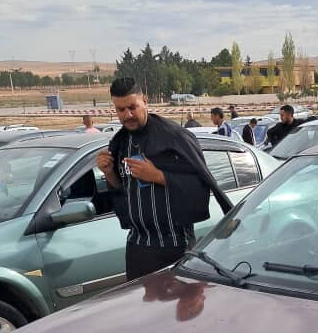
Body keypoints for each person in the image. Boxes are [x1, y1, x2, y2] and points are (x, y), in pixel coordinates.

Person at [95, 78, 235, 281]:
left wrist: (159, 176)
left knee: (174, 312)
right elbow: (122, 191)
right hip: (137, 247)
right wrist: (109, 172)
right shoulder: (119, 143)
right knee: (141, 311)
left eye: (132, 107)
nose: (128, 115)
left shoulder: (174, 136)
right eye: (121, 110)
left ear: (144, 100)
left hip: (175, 247)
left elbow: (201, 184)